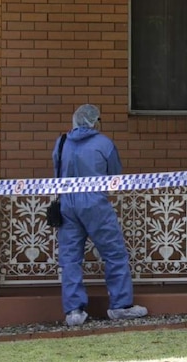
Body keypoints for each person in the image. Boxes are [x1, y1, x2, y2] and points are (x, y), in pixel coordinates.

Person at [52, 104, 148, 326]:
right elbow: (115, 175)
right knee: (114, 254)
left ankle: (74, 312)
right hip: (95, 204)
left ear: (75, 119)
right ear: (95, 121)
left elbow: (56, 172)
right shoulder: (104, 144)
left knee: (70, 259)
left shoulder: (62, 142)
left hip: (67, 203)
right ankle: (120, 305)